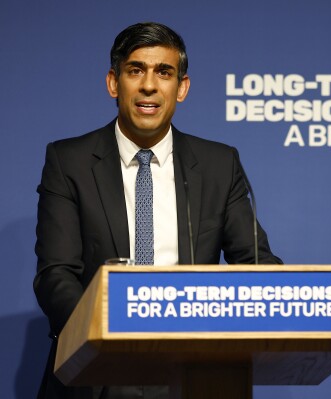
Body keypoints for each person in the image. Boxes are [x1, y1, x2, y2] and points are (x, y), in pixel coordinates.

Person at [33, 22, 282, 399]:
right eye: (136, 71)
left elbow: (256, 261)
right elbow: (56, 276)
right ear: (113, 83)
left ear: (181, 88)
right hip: (99, 370)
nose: (149, 85)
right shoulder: (69, 162)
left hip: (196, 370)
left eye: (164, 73)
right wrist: (109, 333)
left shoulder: (219, 164)